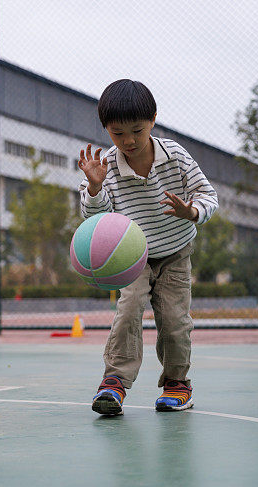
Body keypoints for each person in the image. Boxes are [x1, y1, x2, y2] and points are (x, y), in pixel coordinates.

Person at [77, 79, 219, 416]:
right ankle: (114, 383)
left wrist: (192, 211)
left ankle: (177, 384)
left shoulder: (175, 156)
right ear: (106, 130)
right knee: (128, 310)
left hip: (175, 251)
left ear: (153, 120)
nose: (128, 141)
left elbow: (208, 196)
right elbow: (95, 219)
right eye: (117, 133)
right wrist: (95, 189)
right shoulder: (105, 167)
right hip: (132, 257)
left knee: (174, 319)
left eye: (137, 131)